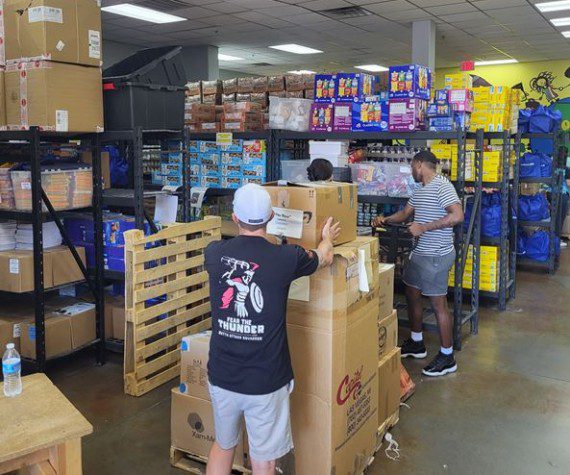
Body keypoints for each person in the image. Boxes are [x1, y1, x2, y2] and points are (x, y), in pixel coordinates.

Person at [204, 183, 340, 475]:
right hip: (265, 380)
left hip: (222, 374)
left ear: (235, 218)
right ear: (269, 218)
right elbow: (324, 257)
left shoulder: (214, 254)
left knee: (223, 445)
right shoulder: (286, 258)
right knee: (263, 459)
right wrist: (326, 238)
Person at [373, 150, 464, 377]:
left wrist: (423, 228)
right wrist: (384, 219)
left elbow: (457, 216)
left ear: (420, 164)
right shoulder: (421, 190)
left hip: (436, 254)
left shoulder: (443, 186)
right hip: (419, 253)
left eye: (412, 166)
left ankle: (447, 356)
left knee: (438, 304)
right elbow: (405, 214)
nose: (411, 170)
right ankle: (417, 343)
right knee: (411, 291)